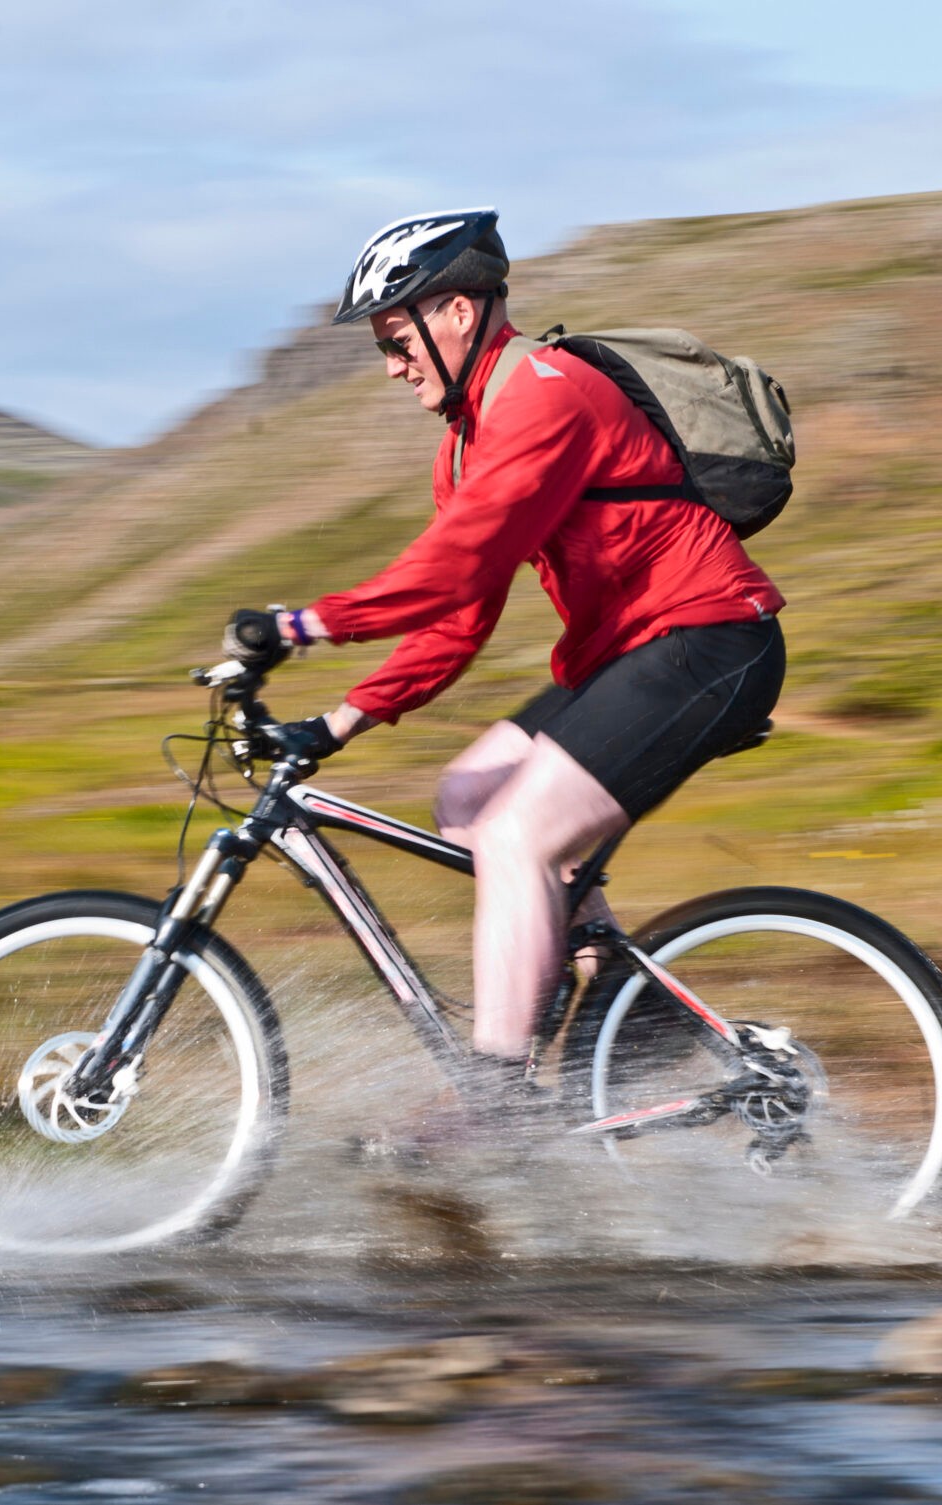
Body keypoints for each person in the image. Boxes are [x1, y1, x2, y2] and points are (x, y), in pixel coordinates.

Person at [223, 208, 785, 1109]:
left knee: (519, 834)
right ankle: (618, 995)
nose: (394, 364)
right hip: (630, 653)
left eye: (398, 338)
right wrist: (336, 723)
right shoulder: (466, 442)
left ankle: (497, 1103)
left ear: (458, 312)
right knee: (468, 797)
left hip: (709, 637)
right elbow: (458, 619)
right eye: (382, 348)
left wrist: (301, 627)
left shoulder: (546, 394)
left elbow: (455, 566)